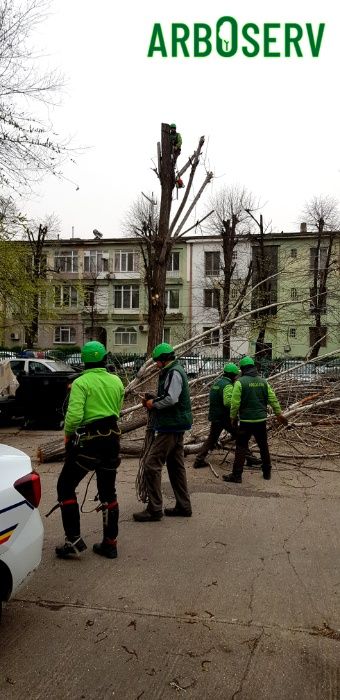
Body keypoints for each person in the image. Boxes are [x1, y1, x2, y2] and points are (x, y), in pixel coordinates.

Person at [55, 341, 125, 559]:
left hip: (88, 442)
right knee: (108, 491)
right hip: (112, 441)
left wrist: (68, 436)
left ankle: (73, 540)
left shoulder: (81, 382)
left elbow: (74, 416)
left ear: (84, 361)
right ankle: (110, 543)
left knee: (66, 486)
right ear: (104, 358)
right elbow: (117, 409)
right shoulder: (116, 381)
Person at [133, 343, 192, 522]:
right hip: (176, 424)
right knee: (176, 467)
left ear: (164, 359)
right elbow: (169, 395)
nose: (157, 364)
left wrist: (153, 404)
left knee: (151, 464)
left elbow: (172, 399)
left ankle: (155, 509)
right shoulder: (172, 370)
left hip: (171, 425)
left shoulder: (173, 372)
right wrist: (154, 398)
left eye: (158, 361)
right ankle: (183, 506)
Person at [223, 356, 288, 484]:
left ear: (242, 369)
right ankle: (267, 472)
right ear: (253, 367)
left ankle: (237, 475)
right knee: (263, 446)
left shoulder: (239, 382)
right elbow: (272, 398)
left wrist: (232, 417)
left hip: (246, 421)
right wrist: (278, 413)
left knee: (241, 447)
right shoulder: (263, 382)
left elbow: (235, 403)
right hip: (260, 420)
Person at [193, 363, 239, 469]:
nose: (236, 378)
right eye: (235, 375)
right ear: (232, 375)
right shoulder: (228, 385)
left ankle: (199, 460)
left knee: (212, 438)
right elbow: (228, 402)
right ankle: (250, 457)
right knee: (240, 436)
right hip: (225, 417)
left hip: (215, 416)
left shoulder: (217, 383)